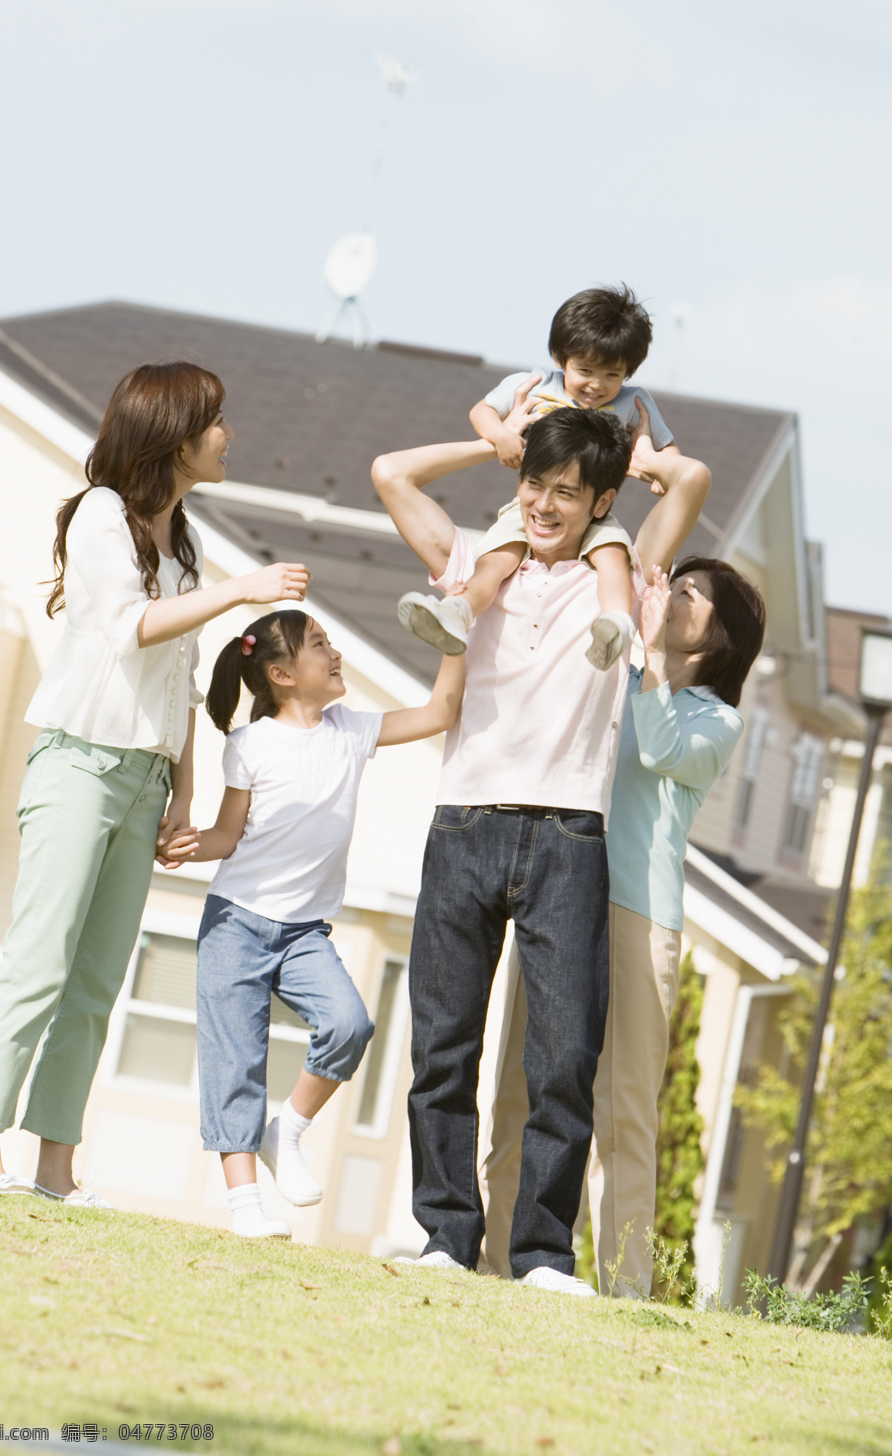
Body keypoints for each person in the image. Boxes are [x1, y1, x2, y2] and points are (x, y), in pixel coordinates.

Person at [0, 362, 310, 1205]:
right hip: (78, 763)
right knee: (38, 961)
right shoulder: (100, 516)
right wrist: (244, 591)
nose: (228, 437)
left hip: (145, 778)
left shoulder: (184, 542)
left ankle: (54, 1166)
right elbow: (130, 627)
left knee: (99, 978)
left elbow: (179, 684)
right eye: (216, 423)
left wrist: (182, 796)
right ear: (176, 435)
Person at [371, 407, 711, 1295]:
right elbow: (392, 474)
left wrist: (632, 453)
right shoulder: (476, 566)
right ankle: (446, 1235)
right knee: (443, 1046)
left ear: (601, 503)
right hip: (463, 823)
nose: (545, 506)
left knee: (563, 1057)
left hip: (568, 833)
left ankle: (542, 1255)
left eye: (567, 493)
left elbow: (691, 480)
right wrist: (497, 440)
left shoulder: (627, 578)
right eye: (535, 487)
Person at [480, 556, 765, 1295]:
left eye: (694, 594)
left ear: (723, 637)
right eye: (676, 583)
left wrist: (642, 652)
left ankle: (626, 1287)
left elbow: (659, 747)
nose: (676, 595)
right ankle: (498, 1262)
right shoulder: (618, 670)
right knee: (519, 1085)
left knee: (626, 1109)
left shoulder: (718, 720)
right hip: (559, 891)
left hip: (639, 916)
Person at [162, 611, 465, 1240]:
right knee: (235, 1063)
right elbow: (228, 834)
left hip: (305, 934)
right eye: (320, 645)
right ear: (281, 674)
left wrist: (456, 639)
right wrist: (185, 846)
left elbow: (440, 711)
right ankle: (246, 1208)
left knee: (349, 1024)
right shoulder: (250, 747)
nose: (336, 652)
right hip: (236, 923)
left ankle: (288, 1131)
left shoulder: (351, 731)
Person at [398, 285, 674, 672]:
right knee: (495, 560)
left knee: (613, 557)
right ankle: (458, 611)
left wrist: (660, 472)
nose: (596, 385)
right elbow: (482, 412)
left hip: (592, 508)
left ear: (628, 373)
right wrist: (501, 437)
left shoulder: (634, 402)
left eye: (612, 374)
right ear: (560, 358)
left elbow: (667, 449)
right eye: (585, 370)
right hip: (532, 505)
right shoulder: (534, 385)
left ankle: (614, 623)